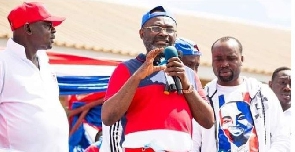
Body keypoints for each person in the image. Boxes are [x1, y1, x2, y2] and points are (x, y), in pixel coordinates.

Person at [101, 6, 214, 152]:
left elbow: (208, 121)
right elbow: (108, 117)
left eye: (169, 29)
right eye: (156, 27)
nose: (163, 33)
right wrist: (137, 77)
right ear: (142, 33)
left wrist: (187, 86)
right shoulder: (127, 69)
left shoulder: (188, 74)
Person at [0, 2, 69, 152]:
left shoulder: (46, 65)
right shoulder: (3, 62)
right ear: (28, 28)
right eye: (47, 25)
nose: (53, 31)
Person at [202, 36, 290, 151]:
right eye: (218, 59)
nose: (224, 64)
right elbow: (194, 142)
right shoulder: (204, 97)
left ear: (241, 60)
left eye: (231, 58)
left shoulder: (262, 94)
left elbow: (282, 138)